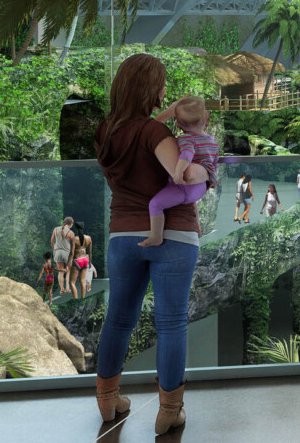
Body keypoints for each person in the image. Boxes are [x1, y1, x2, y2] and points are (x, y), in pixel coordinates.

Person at [94, 54, 201, 434]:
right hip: (172, 234)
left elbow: (137, 132)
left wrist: (166, 112)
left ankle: (108, 401)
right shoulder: (157, 135)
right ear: (148, 88)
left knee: (119, 319)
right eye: (160, 85)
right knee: (171, 323)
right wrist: (204, 168)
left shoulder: (106, 130)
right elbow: (181, 174)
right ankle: (169, 411)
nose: (164, 91)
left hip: (122, 235)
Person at [140, 96, 215, 247]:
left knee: (155, 204)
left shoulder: (185, 140)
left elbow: (186, 156)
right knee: (192, 203)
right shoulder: (212, 140)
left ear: (179, 125)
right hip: (200, 188)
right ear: (206, 121)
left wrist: (178, 173)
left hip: (184, 187)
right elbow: (212, 162)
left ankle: (156, 236)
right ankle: (197, 227)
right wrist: (212, 178)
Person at [51, 218, 74, 295]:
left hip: (57, 252)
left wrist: (54, 250)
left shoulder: (56, 229)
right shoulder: (71, 233)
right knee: (68, 270)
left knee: (60, 272)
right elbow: (73, 247)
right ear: (71, 224)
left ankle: (61, 289)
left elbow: (52, 241)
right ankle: (67, 288)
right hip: (66, 253)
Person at [72, 223, 94, 299]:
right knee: (82, 281)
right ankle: (82, 298)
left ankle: (75, 298)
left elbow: (71, 253)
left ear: (76, 228)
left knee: (72, 282)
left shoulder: (74, 239)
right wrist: (90, 262)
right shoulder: (89, 238)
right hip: (85, 260)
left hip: (77, 260)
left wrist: (68, 262)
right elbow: (90, 252)